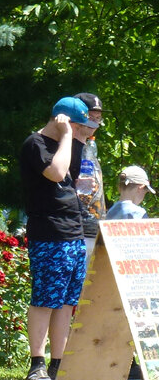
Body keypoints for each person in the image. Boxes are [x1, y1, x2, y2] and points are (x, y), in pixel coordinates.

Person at [18, 96, 100, 380]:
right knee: (46, 298)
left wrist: (76, 138)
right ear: (62, 120)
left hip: (73, 230)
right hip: (49, 232)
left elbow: (68, 176)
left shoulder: (72, 144)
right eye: (79, 126)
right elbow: (55, 173)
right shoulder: (35, 144)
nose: (82, 132)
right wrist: (67, 135)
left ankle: (58, 364)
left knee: (66, 302)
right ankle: (36, 363)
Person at [73, 93, 106, 263]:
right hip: (75, 232)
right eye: (90, 117)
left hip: (95, 229)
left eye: (98, 118)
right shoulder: (66, 146)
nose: (94, 123)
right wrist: (76, 183)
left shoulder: (89, 147)